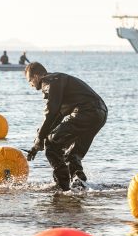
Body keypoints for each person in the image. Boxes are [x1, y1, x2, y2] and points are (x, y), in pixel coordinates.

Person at [24, 62, 108, 191]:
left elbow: (51, 112)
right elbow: (57, 117)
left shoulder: (49, 81)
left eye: (30, 81)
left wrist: (41, 138)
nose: (30, 84)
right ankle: (79, 184)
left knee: (51, 144)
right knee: (72, 154)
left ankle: (62, 186)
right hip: (100, 114)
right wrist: (37, 143)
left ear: (36, 76)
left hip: (85, 112)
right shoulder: (59, 80)